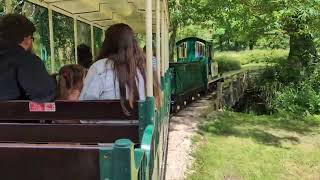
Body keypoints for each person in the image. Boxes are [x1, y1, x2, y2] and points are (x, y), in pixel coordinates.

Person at [80, 23, 160, 115]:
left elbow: (83, 111)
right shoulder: (144, 68)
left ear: (107, 44)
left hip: (103, 128)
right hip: (140, 128)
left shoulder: (99, 68)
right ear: (133, 43)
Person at [0, 14, 56, 102]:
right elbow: (45, 94)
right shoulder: (27, 61)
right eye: (32, 39)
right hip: (13, 114)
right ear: (27, 38)